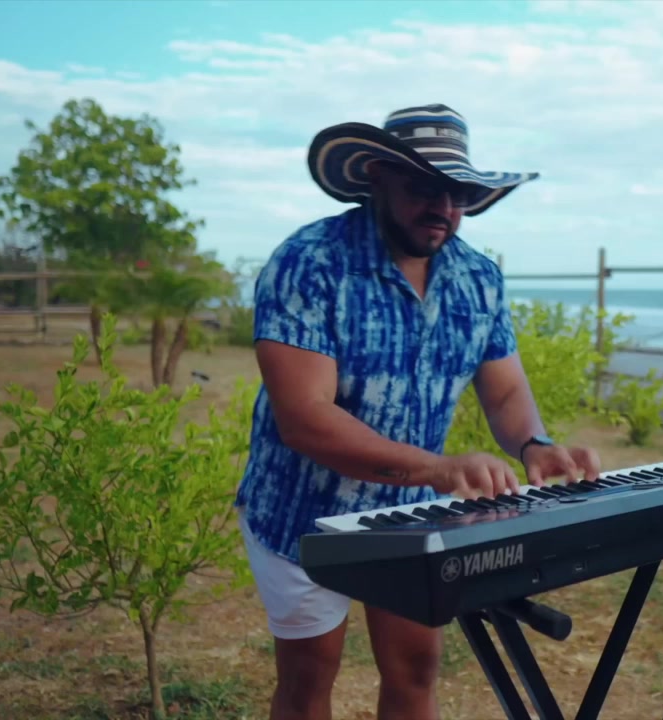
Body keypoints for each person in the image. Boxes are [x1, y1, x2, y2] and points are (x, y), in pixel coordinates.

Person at [234, 103, 603, 720]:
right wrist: (438, 469)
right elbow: (304, 417)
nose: (443, 207)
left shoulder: (478, 279)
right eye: (424, 187)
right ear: (377, 176)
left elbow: (504, 392)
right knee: (308, 677)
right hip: (302, 510)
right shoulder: (309, 262)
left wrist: (534, 444)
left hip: (410, 516)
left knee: (414, 669)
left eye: (458, 194)